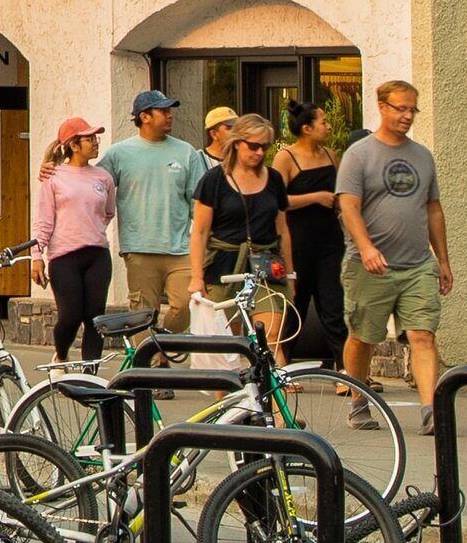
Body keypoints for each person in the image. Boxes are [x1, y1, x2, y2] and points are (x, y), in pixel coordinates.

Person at [337, 79, 452, 427]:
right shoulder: (359, 155)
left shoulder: (422, 156)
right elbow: (348, 206)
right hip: (369, 266)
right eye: (400, 108)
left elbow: (433, 209)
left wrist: (443, 260)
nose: (406, 116)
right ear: (382, 107)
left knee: (422, 335)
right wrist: (366, 247)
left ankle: (430, 411)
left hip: (417, 265)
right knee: (364, 337)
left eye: (412, 109)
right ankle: (358, 399)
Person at [104, 89, 209, 331]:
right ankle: (149, 363)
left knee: (185, 305)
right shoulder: (118, 154)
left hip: (180, 248)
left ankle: (161, 343)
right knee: (142, 313)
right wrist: (53, 167)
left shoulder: (186, 152)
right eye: (163, 111)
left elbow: (198, 203)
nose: (170, 115)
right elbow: (93, 185)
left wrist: (206, 237)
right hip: (140, 248)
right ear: (145, 117)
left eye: (169, 110)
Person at [189, 114, 291, 346]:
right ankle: (237, 381)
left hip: (264, 264)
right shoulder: (214, 180)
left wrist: (290, 273)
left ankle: (278, 382)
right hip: (224, 263)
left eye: (264, 147)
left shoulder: (273, 179)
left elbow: (283, 230)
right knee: (228, 340)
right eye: (253, 146)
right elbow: (200, 232)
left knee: (271, 334)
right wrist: (196, 277)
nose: (259, 153)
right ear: (237, 143)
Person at [31, 118, 116, 362]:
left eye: (95, 138)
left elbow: (108, 212)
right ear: (74, 145)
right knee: (70, 316)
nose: (95, 143)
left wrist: (92, 227)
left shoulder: (103, 177)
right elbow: (44, 221)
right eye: (90, 139)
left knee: (94, 317)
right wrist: (37, 257)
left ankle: (91, 374)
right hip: (64, 256)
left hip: (97, 254)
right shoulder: (54, 177)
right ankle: (61, 356)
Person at [275, 100, 347, 365]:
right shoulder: (287, 157)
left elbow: (340, 193)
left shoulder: (330, 155)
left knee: (334, 305)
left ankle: (345, 369)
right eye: (324, 122)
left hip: (330, 240)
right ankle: (282, 367)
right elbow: (277, 200)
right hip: (298, 239)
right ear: (306, 128)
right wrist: (315, 197)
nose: (328, 126)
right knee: (297, 304)